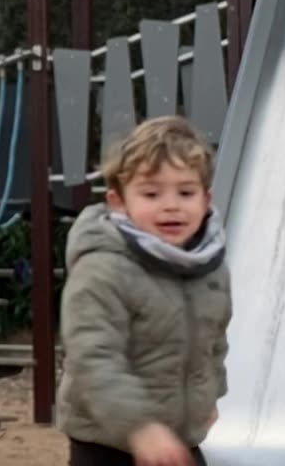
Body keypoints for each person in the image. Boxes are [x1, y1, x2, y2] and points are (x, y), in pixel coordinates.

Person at [56, 116, 231, 466]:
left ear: (206, 199)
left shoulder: (206, 266)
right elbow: (93, 356)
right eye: (151, 193)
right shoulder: (103, 268)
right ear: (119, 202)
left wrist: (211, 396)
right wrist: (140, 428)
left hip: (179, 439)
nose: (171, 205)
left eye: (186, 192)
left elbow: (213, 341)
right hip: (107, 442)